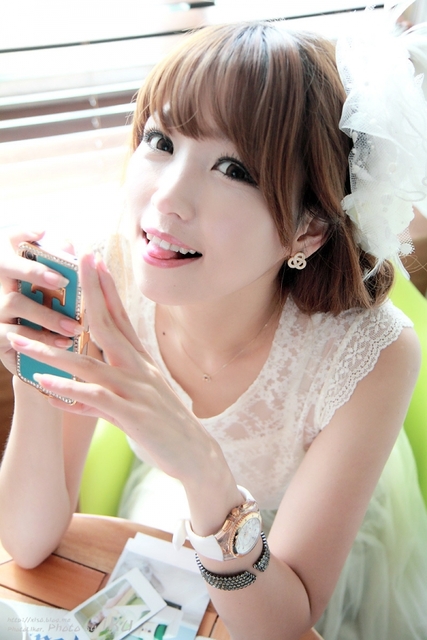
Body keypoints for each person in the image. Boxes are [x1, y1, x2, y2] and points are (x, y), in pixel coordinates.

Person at [1, 6, 427, 640]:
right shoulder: (95, 270)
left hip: (300, 552)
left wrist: (202, 471)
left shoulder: (373, 354)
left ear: (307, 229)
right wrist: (37, 366)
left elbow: (283, 623)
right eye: (161, 141)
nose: (167, 198)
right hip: (179, 513)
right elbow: (28, 542)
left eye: (235, 170)